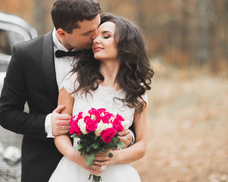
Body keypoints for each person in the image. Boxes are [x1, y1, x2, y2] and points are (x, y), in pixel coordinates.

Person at [0, 0, 104, 182]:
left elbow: (122, 97)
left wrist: (127, 136)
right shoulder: (25, 55)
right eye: (88, 33)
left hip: (97, 166)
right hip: (42, 166)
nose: (97, 36)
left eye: (98, 26)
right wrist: (47, 124)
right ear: (62, 33)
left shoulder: (104, 51)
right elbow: (6, 114)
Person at [48, 12, 154, 182]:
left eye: (106, 36)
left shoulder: (136, 91)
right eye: (96, 36)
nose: (96, 40)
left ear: (125, 44)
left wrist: (114, 157)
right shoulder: (74, 81)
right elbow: (60, 133)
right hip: (74, 171)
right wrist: (75, 156)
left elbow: (141, 145)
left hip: (117, 174)